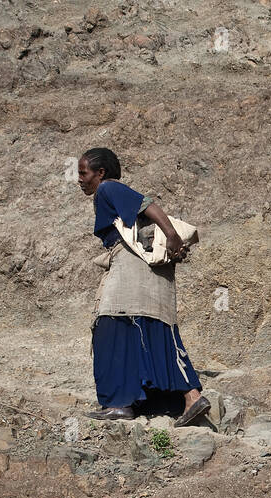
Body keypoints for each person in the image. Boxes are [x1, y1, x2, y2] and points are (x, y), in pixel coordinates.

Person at [78, 147, 209, 425]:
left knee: (110, 329)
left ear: (100, 173)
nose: (79, 179)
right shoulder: (107, 192)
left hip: (131, 271)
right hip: (142, 272)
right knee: (152, 331)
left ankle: (119, 403)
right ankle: (191, 397)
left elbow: (146, 204)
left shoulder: (108, 189)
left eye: (83, 173)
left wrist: (172, 236)